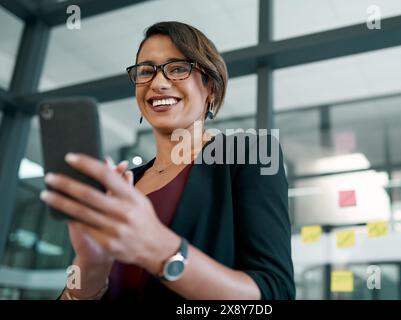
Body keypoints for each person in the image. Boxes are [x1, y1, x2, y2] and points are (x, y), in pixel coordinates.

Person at [40, 21, 295, 300]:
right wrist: (90, 265)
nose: (158, 83)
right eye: (146, 71)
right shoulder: (125, 182)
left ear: (211, 88)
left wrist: (159, 248)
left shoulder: (250, 153)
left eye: (177, 69)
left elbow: (275, 293)